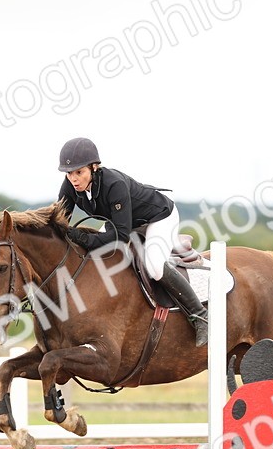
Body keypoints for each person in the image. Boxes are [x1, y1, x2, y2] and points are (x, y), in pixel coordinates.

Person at [55, 136, 209, 346]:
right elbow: (58, 221)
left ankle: (200, 316)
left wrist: (83, 236)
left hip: (158, 218)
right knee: (94, 258)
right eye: (69, 174)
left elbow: (120, 237)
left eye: (79, 172)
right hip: (122, 222)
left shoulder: (114, 184)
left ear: (94, 167)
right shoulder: (70, 186)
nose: (74, 179)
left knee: (155, 267)